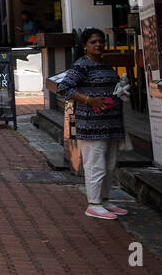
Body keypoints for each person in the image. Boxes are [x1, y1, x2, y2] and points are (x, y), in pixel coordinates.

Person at [56, 29, 130, 220]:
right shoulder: (81, 65)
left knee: (110, 163)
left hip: (111, 121)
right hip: (92, 124)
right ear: (84, 46)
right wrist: (90, 100)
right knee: (95, 164)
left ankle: (104, 199)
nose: (98, 44)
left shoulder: (105, 63)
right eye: (93, 42)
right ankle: (94, 203)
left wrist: (120, 91)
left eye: (100, 41)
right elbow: (63, 88)